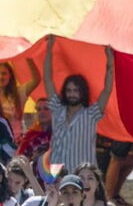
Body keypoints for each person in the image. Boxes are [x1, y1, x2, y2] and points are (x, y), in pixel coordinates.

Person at [44, 36, 114, 171]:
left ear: (83, 92)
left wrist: (110, 61)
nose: (72, 94)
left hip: (83, 177)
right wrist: (49, 50)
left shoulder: (92, 113)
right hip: (57, 175)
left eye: (76, 90)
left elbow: (107, 89)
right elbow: (48, 79)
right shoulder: (57, 109)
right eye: (69, 90)